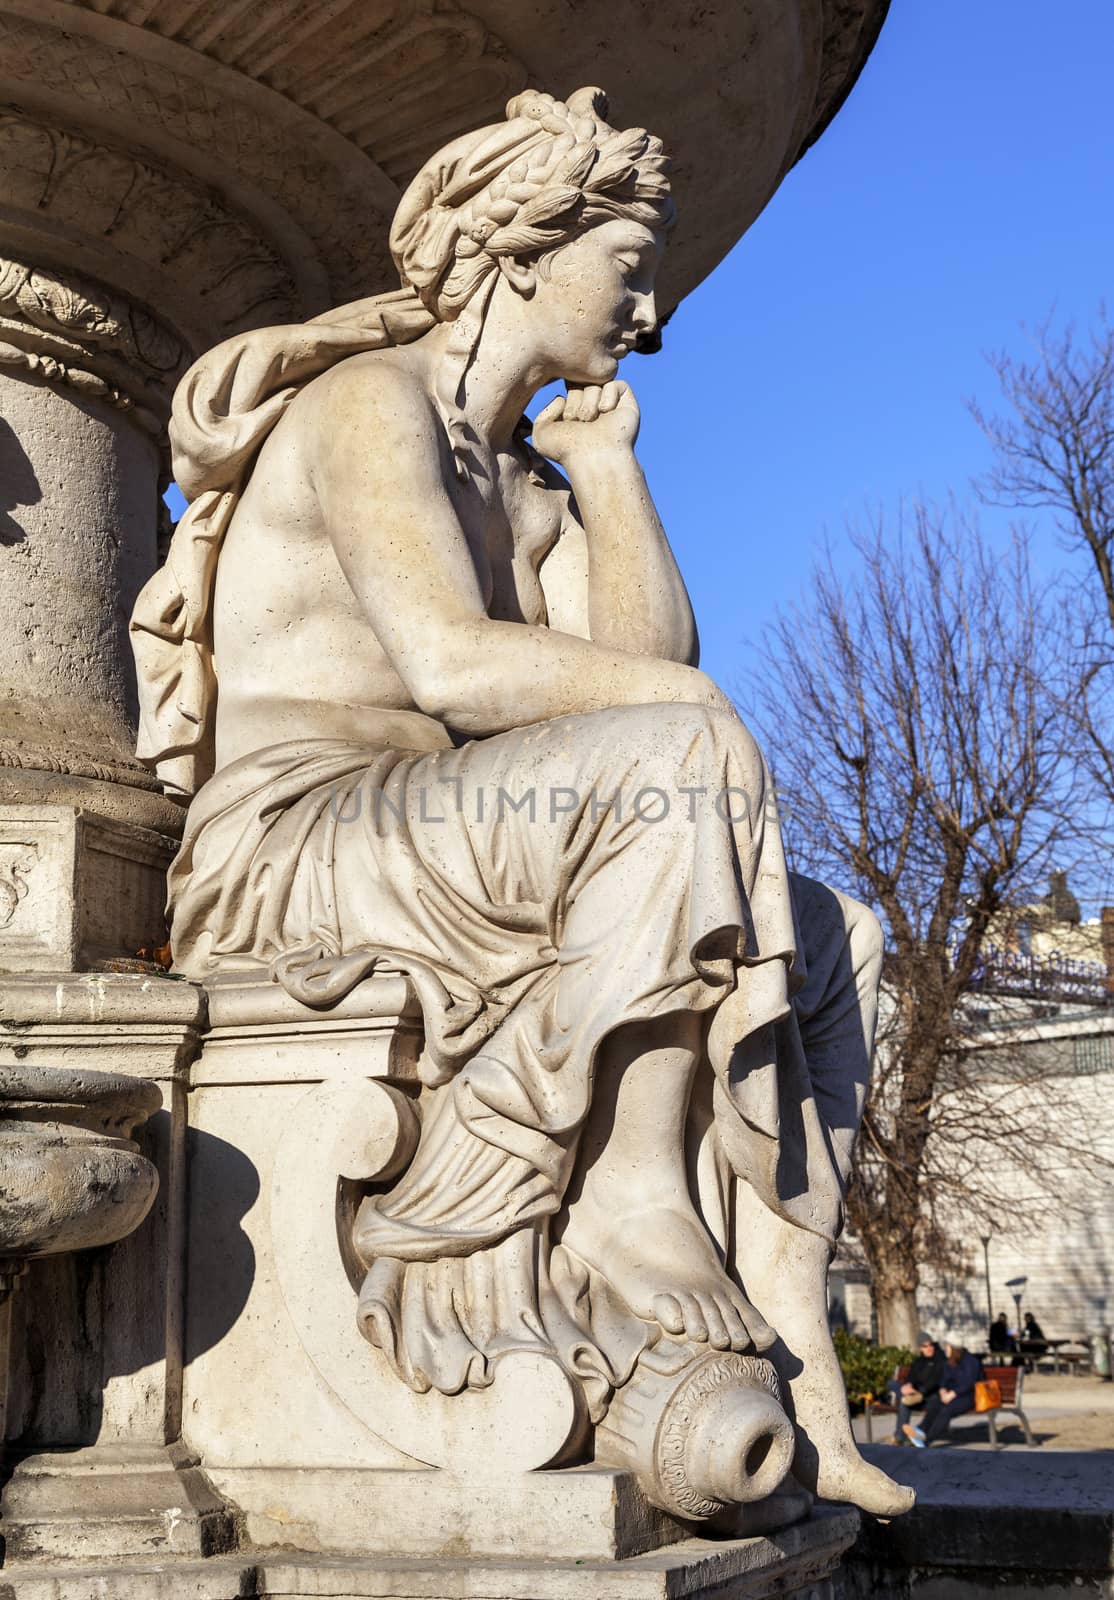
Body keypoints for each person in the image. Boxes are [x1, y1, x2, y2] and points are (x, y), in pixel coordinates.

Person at [131, 86, 911, 1519]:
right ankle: (623, 1195)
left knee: (830, 932)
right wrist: (688, 716)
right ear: (521, 252)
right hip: (298, 839)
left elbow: (638, 674)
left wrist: (610, 480)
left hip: (438, 830)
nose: (651, 305)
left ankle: (798, 1356)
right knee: (684, 756)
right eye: (628, 265)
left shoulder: (530, 482)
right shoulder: (371, 408)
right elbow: (447, 659)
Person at [903, 1337, 984, 1446]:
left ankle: (926, 1439)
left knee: (947, 1410)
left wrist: (952, 1394)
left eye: (947, 1346)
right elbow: (944, 1380)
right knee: (935, 1404)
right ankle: (919, 1431)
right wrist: (942, 1390)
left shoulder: (971, 1361)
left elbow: (969, 1383)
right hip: (951, 1395)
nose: (945, 1348)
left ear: (953, 1348)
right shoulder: (949, 1362)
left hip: (969, 1396)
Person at [887, 1332, 943, 1442]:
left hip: (929, 1396)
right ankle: (900, 1437)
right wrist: (908, 1385)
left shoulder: (939, 1359)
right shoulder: (919, 1361)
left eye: (930, 1345)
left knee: (904, 1403)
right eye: (925, 1346)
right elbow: (911, 1377)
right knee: (892, 1384)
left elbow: (935, 1380)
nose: (929, 1348)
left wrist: (920, 1391)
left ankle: (899, 1437)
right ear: (920, 1348)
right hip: (914, 1394)